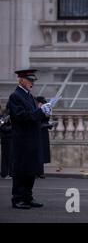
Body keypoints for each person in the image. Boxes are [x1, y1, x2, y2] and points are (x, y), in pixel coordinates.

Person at [8, 69, 52, 209]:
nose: (32, 83)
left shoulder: (29, 96)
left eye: (33, 81)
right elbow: (21, 116)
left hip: (32, 139)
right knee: (21, 170)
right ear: (21, 80)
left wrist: (46, 113)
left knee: (30, 170)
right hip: (22, 140)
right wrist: (40, 111)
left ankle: (27, 197)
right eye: (29, 80)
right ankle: (18, 199)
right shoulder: (15, 96)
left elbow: (35, 116)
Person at [35, 96, 56, 178]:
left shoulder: (45, 110)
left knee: (42, 152)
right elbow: (36, 122)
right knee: (38, 152)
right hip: (38, 133)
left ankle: (40, 172)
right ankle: (38, 172)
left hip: (43, 133)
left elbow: (46, 120)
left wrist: (50, 124)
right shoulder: (36, 110)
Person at [1, 104, 13, 179]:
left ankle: (6, 173)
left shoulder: (7, 115)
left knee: (8, 156)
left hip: (8, 138)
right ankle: (5, 173)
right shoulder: (5, 116)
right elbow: (3, 128)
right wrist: (12, 127)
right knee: (7, 157)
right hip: (6, 138)